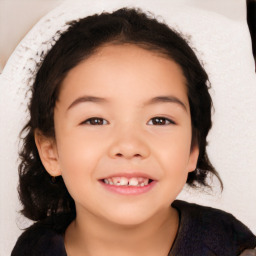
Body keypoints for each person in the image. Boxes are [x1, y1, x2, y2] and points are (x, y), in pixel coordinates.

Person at [11, 7, 256, 256]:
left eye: (159, 120)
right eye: (95, 121)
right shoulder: (33, 248)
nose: (129, 146)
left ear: (193, 149)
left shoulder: (232, 247)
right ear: (51, 152)